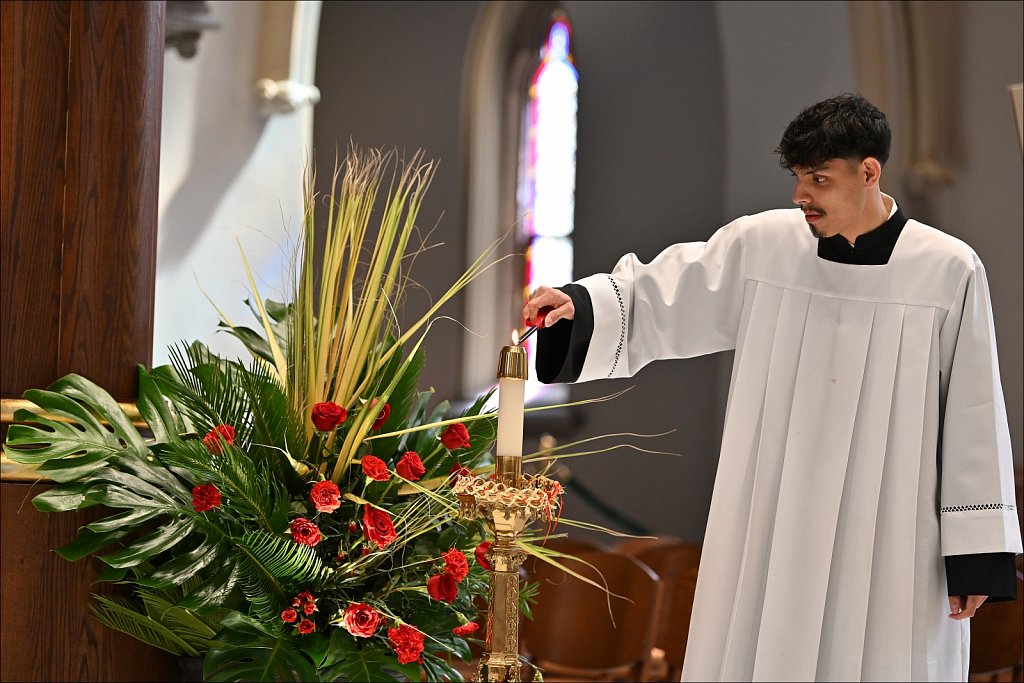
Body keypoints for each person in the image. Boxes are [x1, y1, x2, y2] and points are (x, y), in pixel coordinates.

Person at [522, 93, 1021, 682]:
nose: (799, 195)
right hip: (775, 511)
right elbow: (669, 291)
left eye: (818, 178)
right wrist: (582, 306)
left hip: (890, 526)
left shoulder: (947, 268)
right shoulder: (765, 245)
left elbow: (973, 409)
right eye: (796, 177)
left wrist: (972, 553)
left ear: (868, 172)